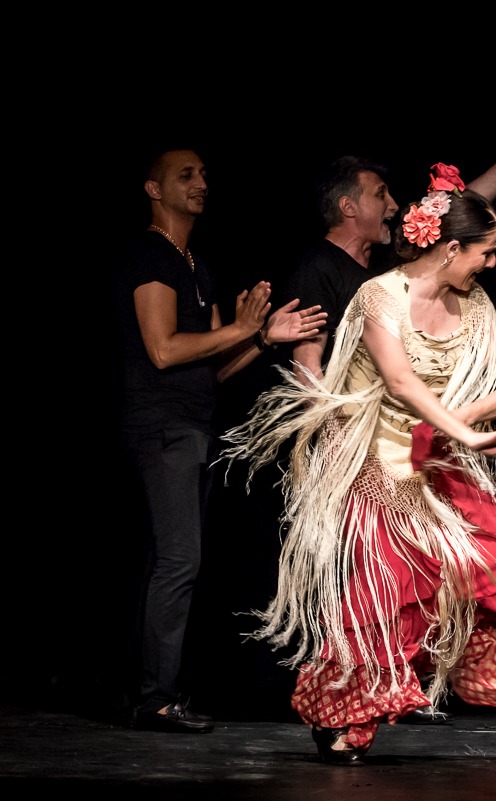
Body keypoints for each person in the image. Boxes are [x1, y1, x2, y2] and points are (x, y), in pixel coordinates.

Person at [220, 166, 496, 766]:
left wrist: (454, 422)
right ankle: (342, 720)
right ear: (451, 249)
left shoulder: (474, 302)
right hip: (371, 463)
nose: (492, 264)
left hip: (431, 456)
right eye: (485, 252)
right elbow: (401, 382)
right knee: (388, 599)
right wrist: (462, 431)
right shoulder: (379, 296)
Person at [118, 147, 328, 733]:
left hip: (194, 425)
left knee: (172, 560)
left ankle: (150, 692)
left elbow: (212, 369)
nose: (201, 182)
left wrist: (259, 339)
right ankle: (155, 698)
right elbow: (164, 350)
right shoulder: (151, 256)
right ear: (153, 189)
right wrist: (240, 327)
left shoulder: (195, 264)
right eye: (185, 175)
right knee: (178, 559)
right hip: (162, 427)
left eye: (204, 174)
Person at [287, 99, 496, 386]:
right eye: (380, 195)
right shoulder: (318, 269)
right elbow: (306, 369)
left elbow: (455, 213)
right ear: (348, 207)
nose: (394, 205)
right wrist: (339, 415)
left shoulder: (389, 252)